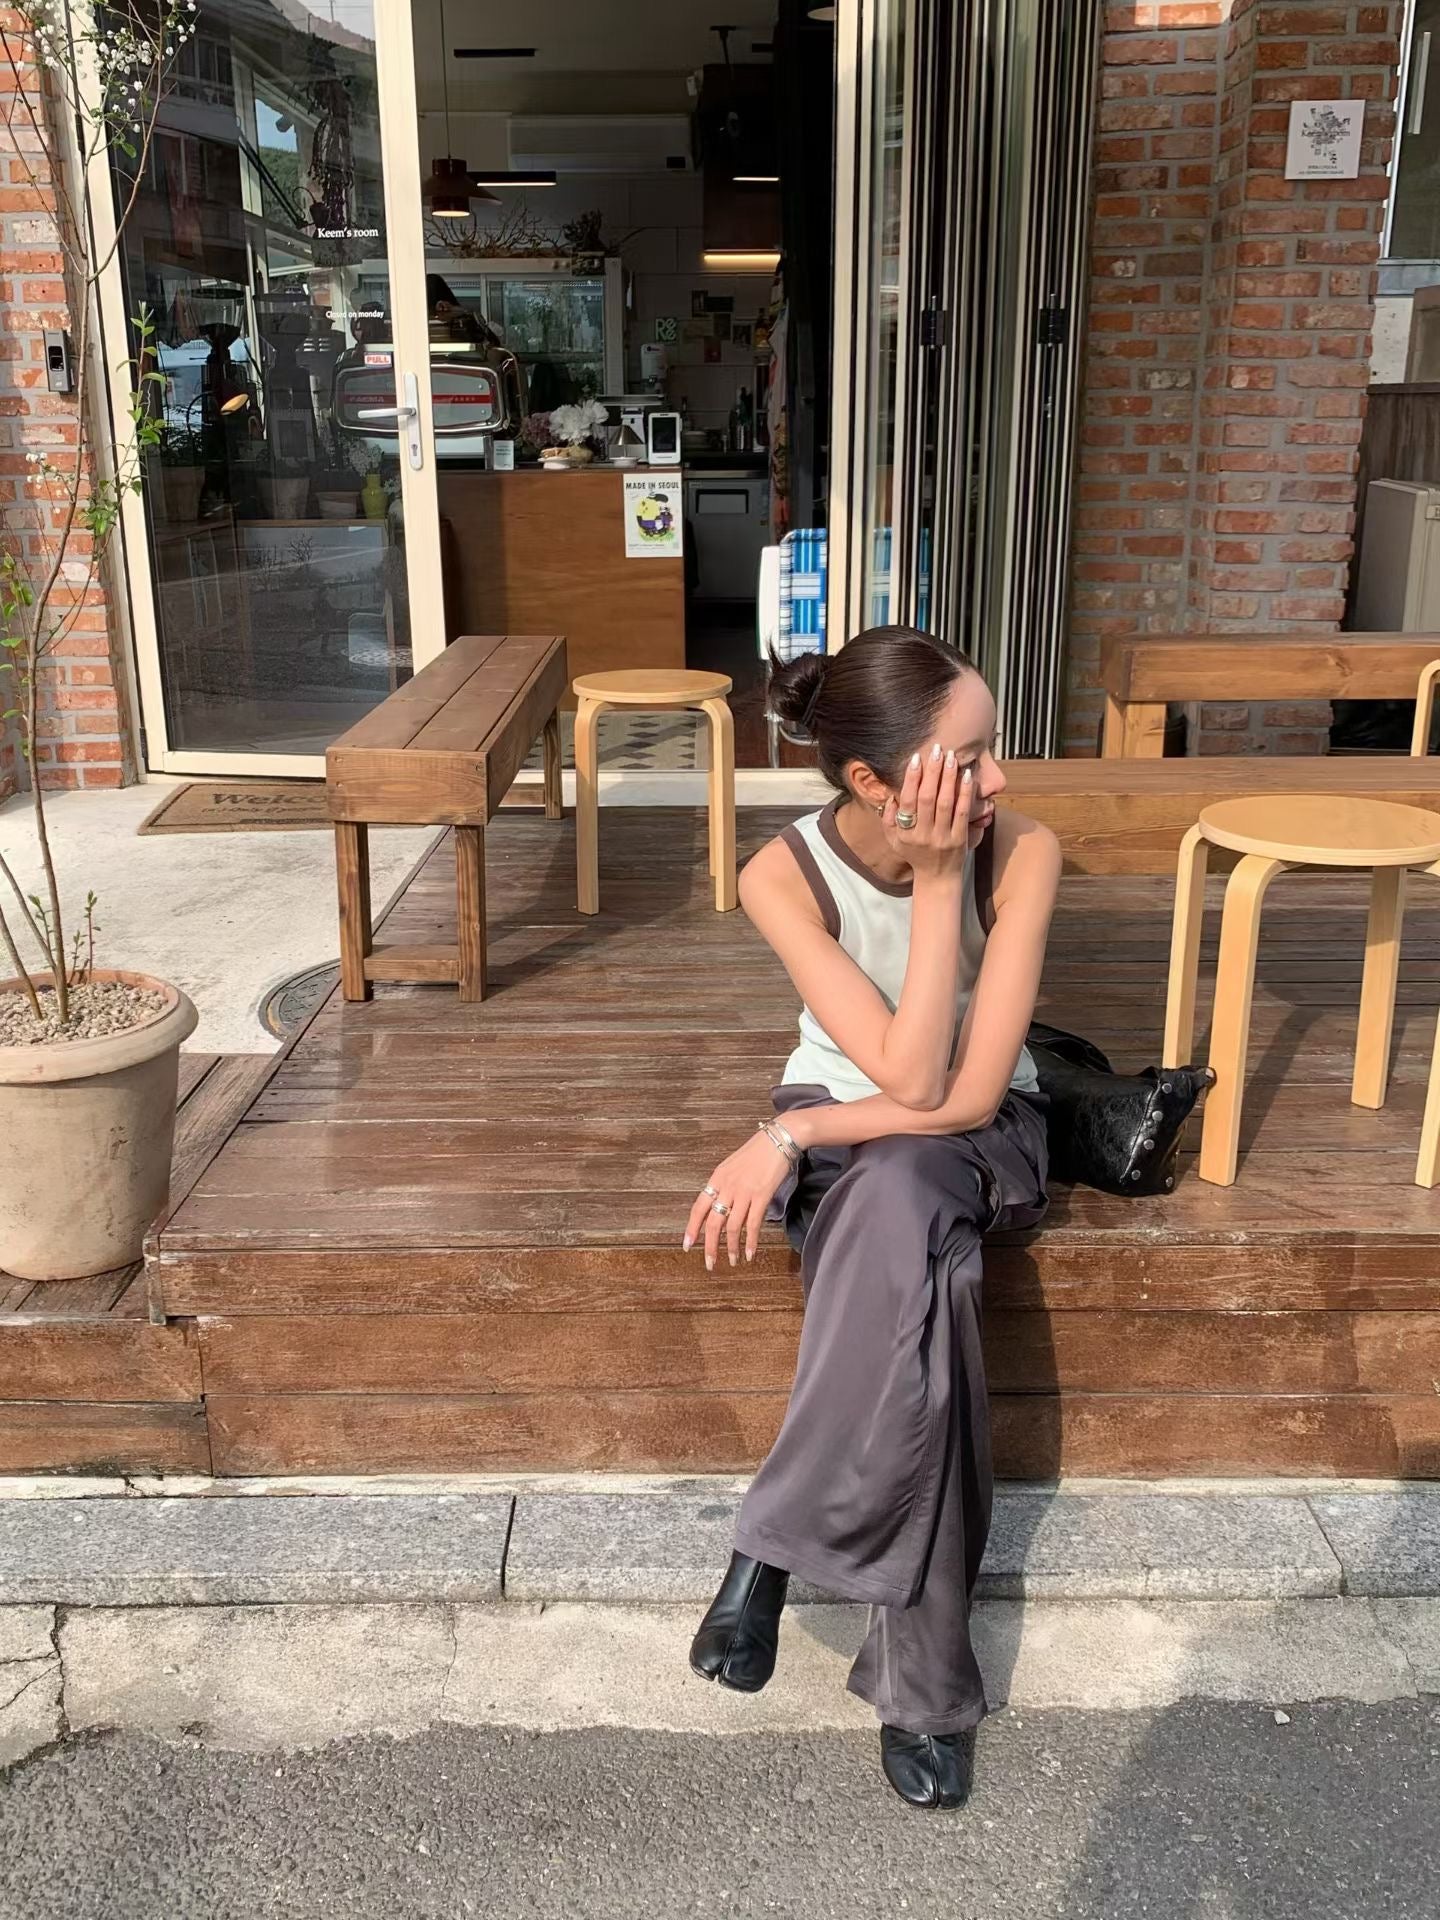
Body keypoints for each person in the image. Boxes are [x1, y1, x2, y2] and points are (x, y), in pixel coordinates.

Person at [682, 626, 1061, 1812]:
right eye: (972, 756)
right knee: (928, 1290)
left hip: (974, 1131)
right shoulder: (781, 875)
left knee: (903, 1189)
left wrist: (785, 1140)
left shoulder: (1022, 853)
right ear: (871, 780)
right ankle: (925, 1689)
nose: (1000, 777)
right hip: (861, 1120)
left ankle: (771, 1544)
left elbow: (960, 1093)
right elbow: (898, 1074)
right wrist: (809, 1127)